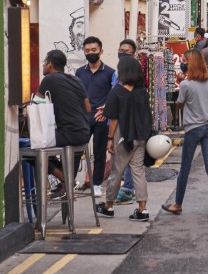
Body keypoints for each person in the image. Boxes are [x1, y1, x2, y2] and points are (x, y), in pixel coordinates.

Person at [161, 50, 208, 219]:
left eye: (184, 60)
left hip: (192, 128)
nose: (182, 63)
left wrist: (183, 84)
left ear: (191, 63)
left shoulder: (186, 85)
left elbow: (180, 104)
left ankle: (178, 204)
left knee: (185, 167)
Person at [95, 55, 152, 221]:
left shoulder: (117, 92)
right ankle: (143, 209)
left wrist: (110, 139)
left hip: (123, 136)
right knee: (138, 170)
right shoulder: (142, 92)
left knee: (117, 171)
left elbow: (114, 119)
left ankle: (108, 206)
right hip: (140, 136)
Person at [37, 50, 92, 198]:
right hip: (84, 132)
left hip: (69, 134)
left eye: (44, 62)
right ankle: (66, 184)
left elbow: (36, 105)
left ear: (49, 64)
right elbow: (88, 108)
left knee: (33, 147)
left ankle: (64, 178)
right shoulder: (76, 80)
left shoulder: (49, 80)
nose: (43, 65)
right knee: (62, 149)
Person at [76, 36, 115, 197]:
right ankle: (72, 181)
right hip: (83, 119)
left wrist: (106, 112)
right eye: (87, 51)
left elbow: (113, 96)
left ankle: (97, 184)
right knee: (77, 151)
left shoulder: (110, 72)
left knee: (99, 153)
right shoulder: (79, 72)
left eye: (94, 50)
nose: (90, 53)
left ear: (101, 51)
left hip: (101, 119)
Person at [107, 39, 139, 204]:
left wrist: (110, 136)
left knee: (124, 160)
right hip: (120, 119)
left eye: (127, 51)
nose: (123, 53)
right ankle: (134, 197)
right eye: (121, 50)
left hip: (126, 121)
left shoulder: (134, 73)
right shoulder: (117, 72)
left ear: (133, 53)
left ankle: (122, 193)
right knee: (127, 160)